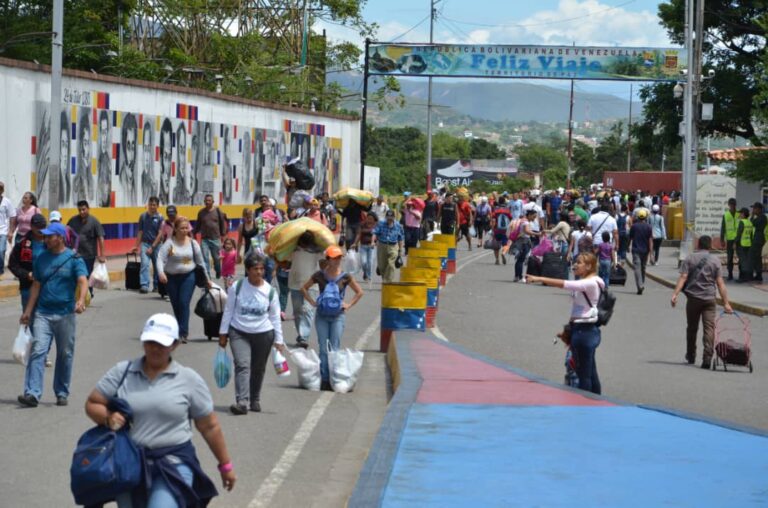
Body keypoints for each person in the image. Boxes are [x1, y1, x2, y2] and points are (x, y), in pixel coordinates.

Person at [85, 313, 236, 505]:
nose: (155, 348)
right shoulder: (122, 372)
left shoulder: (189, 380)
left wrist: (225, 466)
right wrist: (108, 417)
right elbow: (92, 403)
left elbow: (209, 426)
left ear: (175, 344)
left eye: (162, 343)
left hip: (174, 464)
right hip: (128, 464)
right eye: (150, 342)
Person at [17, 222, 89, 408]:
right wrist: (27, 311)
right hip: (43, 314)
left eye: (49, 236)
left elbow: (83, 281)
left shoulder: (73, 259)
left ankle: (62, 391)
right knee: (38, 350)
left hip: (66, 314)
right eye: (45, 236)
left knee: (65, 354)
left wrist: (80, 300)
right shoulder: (41, 258)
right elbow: (36, 286)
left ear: (60, 238)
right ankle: (32, 393)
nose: (46, 239)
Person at [527, 252, 604, 394]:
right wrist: (567, 331)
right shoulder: (590, 281)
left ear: (588, 266)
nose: (575, 265)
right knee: (590, 371)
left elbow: (564, 284)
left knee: (584, 375)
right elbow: (576, 310)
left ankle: (585, 405)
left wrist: (538, 278)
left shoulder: (591, 282)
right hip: (581, 329)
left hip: (585, 331)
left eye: (579, 262)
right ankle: (595, 402)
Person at [219, 253, 286, 414]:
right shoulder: (237, 287)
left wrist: (279, 340)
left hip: (263, 334)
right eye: (255, 269)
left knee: (258, 368)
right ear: (247, 270)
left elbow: (275, 317)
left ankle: (254, 398)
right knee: (242, 365)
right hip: (239, 331)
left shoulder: (270, 291)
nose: (259, 272)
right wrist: (223, 333)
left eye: (261, 269)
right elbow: (228, 310)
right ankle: (242, 401)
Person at [301, 246, 363, 391]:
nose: (337, 260)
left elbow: (359, 292)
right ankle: (325, 378)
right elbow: (303, 288)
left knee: (334, 348)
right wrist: (312, 302)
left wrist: (348, 305)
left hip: (338, 317)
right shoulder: (319, 275)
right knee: (323, 348)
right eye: (334, 258)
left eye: (339, 257)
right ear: (328, 259)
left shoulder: (346, 276)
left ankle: (334, 377)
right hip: (322, 316)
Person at [671, 235, 733, 368]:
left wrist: (675, 294)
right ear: (710, 246)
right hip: (710, 300)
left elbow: (683, 277)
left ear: (698, 245)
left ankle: (691, 355)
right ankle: (707, 357)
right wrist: (726, 303)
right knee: (709, 329)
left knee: (692, 328)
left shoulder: (690, 258)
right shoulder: (715, 261)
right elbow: (720, 283)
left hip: (693, 298)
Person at [157, 216, 211, 343]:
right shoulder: (169, 243)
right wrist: (161, 273)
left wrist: (207, 279)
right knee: (176, 304)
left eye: (187, 228)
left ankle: (183, 333)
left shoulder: (193, 243)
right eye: (182, 228)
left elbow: (201, 262)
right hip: (171, 277)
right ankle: (179, 329)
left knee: (183, 302)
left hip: (189, 276)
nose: (184, 230)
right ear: (175, 229)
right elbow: (160, 258)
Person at [288, 231, 324, 348]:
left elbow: (323, 264)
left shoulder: (317, 252)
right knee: (298, 311)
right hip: (295, 284)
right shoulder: (293, 250)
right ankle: (301, 334)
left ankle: (304, 337)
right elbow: (286, 264)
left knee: (308, 310)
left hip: (311, 285)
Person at [67, 200, 106, 298]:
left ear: (88, 209)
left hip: (89, 255)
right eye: (79, 210)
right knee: (76, 275)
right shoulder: (73, 220)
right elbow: (66, 232)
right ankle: (77, 295)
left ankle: (88, 295)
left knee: (87, 276)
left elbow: (101, 238)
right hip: (75, 255)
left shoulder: (94, 221)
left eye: (83, 209)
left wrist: (102, 255)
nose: (81, 212)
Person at [131, 196, 163, 294]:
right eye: (150, 204)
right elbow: (140, 232)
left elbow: (160, 234)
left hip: (157, 245)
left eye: (154, 205)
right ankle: (144, 285)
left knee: (157, 266)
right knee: (144, 264)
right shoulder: (143, 217)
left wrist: (153, 247)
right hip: (145, 244)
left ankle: (157, 285)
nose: (152, 207)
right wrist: (136, 246)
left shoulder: (160, 218)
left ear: (157, 206)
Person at [194, 194, 228, 279]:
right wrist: (194, 233)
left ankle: (218, 270)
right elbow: (198, 225)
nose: (207, 202)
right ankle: (207, 275)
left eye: (209, 200)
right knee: (205, 258)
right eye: (206, 201)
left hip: (215, 239)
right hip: (204, 239)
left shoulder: (217, 211)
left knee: (216, 258)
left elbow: (222, 223)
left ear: (213, 202)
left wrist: (223, 235)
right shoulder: (201, 212)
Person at [373, 210, 404, 283]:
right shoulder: (381, 224)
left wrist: (400, 250)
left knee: (391, 264)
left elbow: (401, 238)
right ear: (386, 217)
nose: (389, 219)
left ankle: (388, 281)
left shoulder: (398, 226)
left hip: (393, 246)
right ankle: (385, 279)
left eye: (391, 218)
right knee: (382, 266)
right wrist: (372, 242)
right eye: (388, 217)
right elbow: (375, 233)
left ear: (394, 217)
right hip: (382, 245)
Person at [628, 208, 653, 295]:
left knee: (637, 269)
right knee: (643, 268)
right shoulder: (649, 227)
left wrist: (628, 246)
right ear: (646, 217)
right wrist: (651, 253)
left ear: (638, 217)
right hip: (645, 251)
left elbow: (630, 238)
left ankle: (640, 285)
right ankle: (641, 284)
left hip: (636, 250)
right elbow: (650, 240)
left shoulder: (634, 226)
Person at [512, 209, 539, 283]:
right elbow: (527, 231)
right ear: (529, 215)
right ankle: (520, 277)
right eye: (533, 216)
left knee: (519, 260)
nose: (534, 218)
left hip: (520, 241)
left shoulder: (522, 220)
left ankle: (516, 276)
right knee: (521, 260)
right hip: (524, 242)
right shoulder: (526, 222)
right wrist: (537, 234)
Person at [354, 213, 377, 281]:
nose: (369, 220)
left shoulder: (375, 225)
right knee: (363, 262)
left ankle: (368, 277)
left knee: (370, 262)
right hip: (363, 246)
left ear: (374, 220)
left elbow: (374, 234)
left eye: (371, 219)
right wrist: (355, 243)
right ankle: (365, 272)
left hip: (371, 247)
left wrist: (373, 242)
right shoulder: (362, 224)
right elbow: (359, 234)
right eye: (368, 218)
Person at [719, 198, 738, 281]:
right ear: (729, 205)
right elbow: (723, 228)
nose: (732, 206)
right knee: (729, 257)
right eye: (731, 204)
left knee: (740, 256)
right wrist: (722, 239)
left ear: (735, 205)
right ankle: (730, 274)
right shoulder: (726, 215)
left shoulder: (739, 214)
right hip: (730, 239)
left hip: (738, 239)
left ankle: (742, 274)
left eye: (733, 204)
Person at [0, 181, 16, 276]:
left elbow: (12, 216)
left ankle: (0, 270)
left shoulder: (7, 202)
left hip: (3, 231)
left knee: (1, 250)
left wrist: (10, 231)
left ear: (2, 190)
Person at [735, 207, 753, 283]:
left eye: (740, 213)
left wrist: (735, 243)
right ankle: (748, 277)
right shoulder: (749, 222)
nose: (739, 214)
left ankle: (742, 278)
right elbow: (751, 235)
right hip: (748, 244)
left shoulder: (742, 222)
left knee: (742, 261)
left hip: (741, 244)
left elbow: (739, 234)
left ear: (743, 214)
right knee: (746, 260)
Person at [491, 198, 512, 265]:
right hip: (505, 231)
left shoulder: (496, 210)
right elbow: (511, 219)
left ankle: (497, 260)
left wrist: (492, 230)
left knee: (496, 246)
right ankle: (503, 253)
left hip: (497, 230)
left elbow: (493, 221)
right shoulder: (507, 210)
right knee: (505, 244)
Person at [749, 202, 766, 282]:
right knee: (757, 258)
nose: (753, 210)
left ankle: (755, 274)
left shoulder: (762, 217)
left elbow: (753, 223)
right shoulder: (760, 217)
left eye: (755, 208)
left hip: (759, 240)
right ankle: (758, 275)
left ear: (759, 209)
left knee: (754, 257)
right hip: (757, 239)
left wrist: (752, 216)